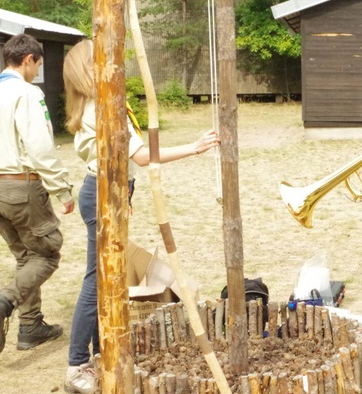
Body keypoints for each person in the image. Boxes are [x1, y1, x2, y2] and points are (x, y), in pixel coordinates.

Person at [61, 39, 220, 394]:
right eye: (104, 57)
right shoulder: (100, 107)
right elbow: (144, 156)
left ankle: (103, 352)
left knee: (109, 276)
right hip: (102, 193)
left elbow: (128, 157)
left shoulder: (102, 104)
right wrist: (193, 148)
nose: (115, 61)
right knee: (97, 280)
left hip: (111, 191)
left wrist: (124, 193)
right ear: (91, 68)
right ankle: (76, 365)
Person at [0, 34, 75, 354]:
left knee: (24, 256)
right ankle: (5, 302)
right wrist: (61, 188)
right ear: (28, 59)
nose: (37, 73)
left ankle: (31, 326)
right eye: (38, 66)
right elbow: (40, 147)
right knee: (47, 253)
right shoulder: (27, 93)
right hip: (20, 185)